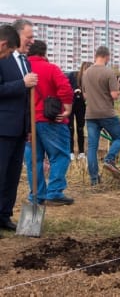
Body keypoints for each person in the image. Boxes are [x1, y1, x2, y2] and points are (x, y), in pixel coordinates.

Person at [24, 39, 74, 206]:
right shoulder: (51, 68)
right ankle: (54, 191)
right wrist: (66, 108)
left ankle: (36, 195)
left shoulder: (22, 69)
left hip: (28, 122)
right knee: (59, 155)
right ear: (44, 53)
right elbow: (65, 88)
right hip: (50, 120)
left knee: (34, 159)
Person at [0, 19, 38, 232]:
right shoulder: (2, 59)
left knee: (13, 176)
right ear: (15, 36)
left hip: (20, 129)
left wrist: (29, 128)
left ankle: (5, 215)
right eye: (28, 37)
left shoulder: (27, 62)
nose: (32, 41)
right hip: (3, 128)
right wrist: (21, 83)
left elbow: (27, 100)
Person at [82, 46, 120, 185]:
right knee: (119, 138)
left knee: (92, 147)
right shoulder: (108, 72)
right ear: (107, 56)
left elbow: (85, 95)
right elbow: (114, 96)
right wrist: (117, 86)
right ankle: (109, 160)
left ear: (96, 55)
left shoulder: (86, 73)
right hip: (106, 113)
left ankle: (94, 179)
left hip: (90, 114)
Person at [67, 62, 91, 161]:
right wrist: (74, 90)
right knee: (70, 128)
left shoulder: (89, 79)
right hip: (70, 104)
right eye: (87, 70)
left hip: (81, 105)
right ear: (83, 69)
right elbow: (66, 87)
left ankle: (81, 152)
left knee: (80, 128)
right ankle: (71, 151)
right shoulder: (73, 75)